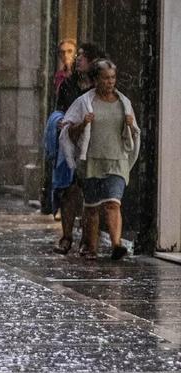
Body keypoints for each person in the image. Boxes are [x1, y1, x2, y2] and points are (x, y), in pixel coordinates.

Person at [60, 59, 139, 260]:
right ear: (95, 79)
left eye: (113, 77)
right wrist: (83, 124)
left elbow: (134, 134)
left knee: (113, 203)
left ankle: (116, 244)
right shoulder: (85, 102)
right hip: (91, 161)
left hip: (117, 160)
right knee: (92, 207)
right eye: (105, 78)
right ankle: (90, 248)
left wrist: (130, 126)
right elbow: (68, 131)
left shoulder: (124, 103)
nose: (110, 82)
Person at [52, 43, 105, 255]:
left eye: (83, 56)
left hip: (92, 144)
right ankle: (66, 237)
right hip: (70, 142)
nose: (78, 59)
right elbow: (59, 110)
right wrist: (59, 121)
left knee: (90, 193)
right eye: (79, 55)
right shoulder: (68, 85)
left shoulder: (99, 87)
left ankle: (87, 240)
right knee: (68, 189)